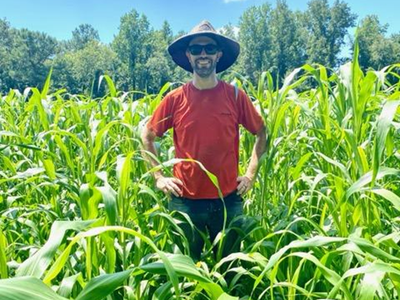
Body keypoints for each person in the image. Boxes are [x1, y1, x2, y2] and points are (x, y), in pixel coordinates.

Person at [141, 20, 267, 261]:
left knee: (230, 270)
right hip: (185, 203)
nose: (203, 55)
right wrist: (158, 177)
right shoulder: (175, 99)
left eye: (209, 48)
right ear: (188, 55)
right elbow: (147, 136)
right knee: (187, 270)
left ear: (218, 55)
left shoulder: (235, 96)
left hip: (228, 201)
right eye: (196, 49)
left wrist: (250, 174)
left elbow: (261, 133)